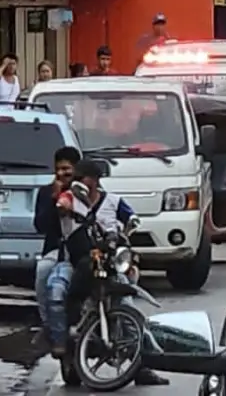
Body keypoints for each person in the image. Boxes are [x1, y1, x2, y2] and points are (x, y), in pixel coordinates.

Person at [43, 159, 169, 385]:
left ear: (94, 180)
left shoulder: (113, 201)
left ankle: (144, 365)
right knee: (57, 291)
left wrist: (124, 237)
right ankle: (63, 344)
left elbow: (132, 220)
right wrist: (65, 205)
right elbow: (61, 205)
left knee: (129, 307)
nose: (81, 182)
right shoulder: (70, 198)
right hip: (76, 262)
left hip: (109, 263)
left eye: (84, 178)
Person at [32, 146, 81, 332]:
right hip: (56, 250)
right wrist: (55, 199)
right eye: (58, 169)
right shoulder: (46, 193)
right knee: (43, 271)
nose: (61, 173)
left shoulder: (85, 192)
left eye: (67, 169)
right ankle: (48, 325)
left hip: (83, 249)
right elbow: (41, 226)